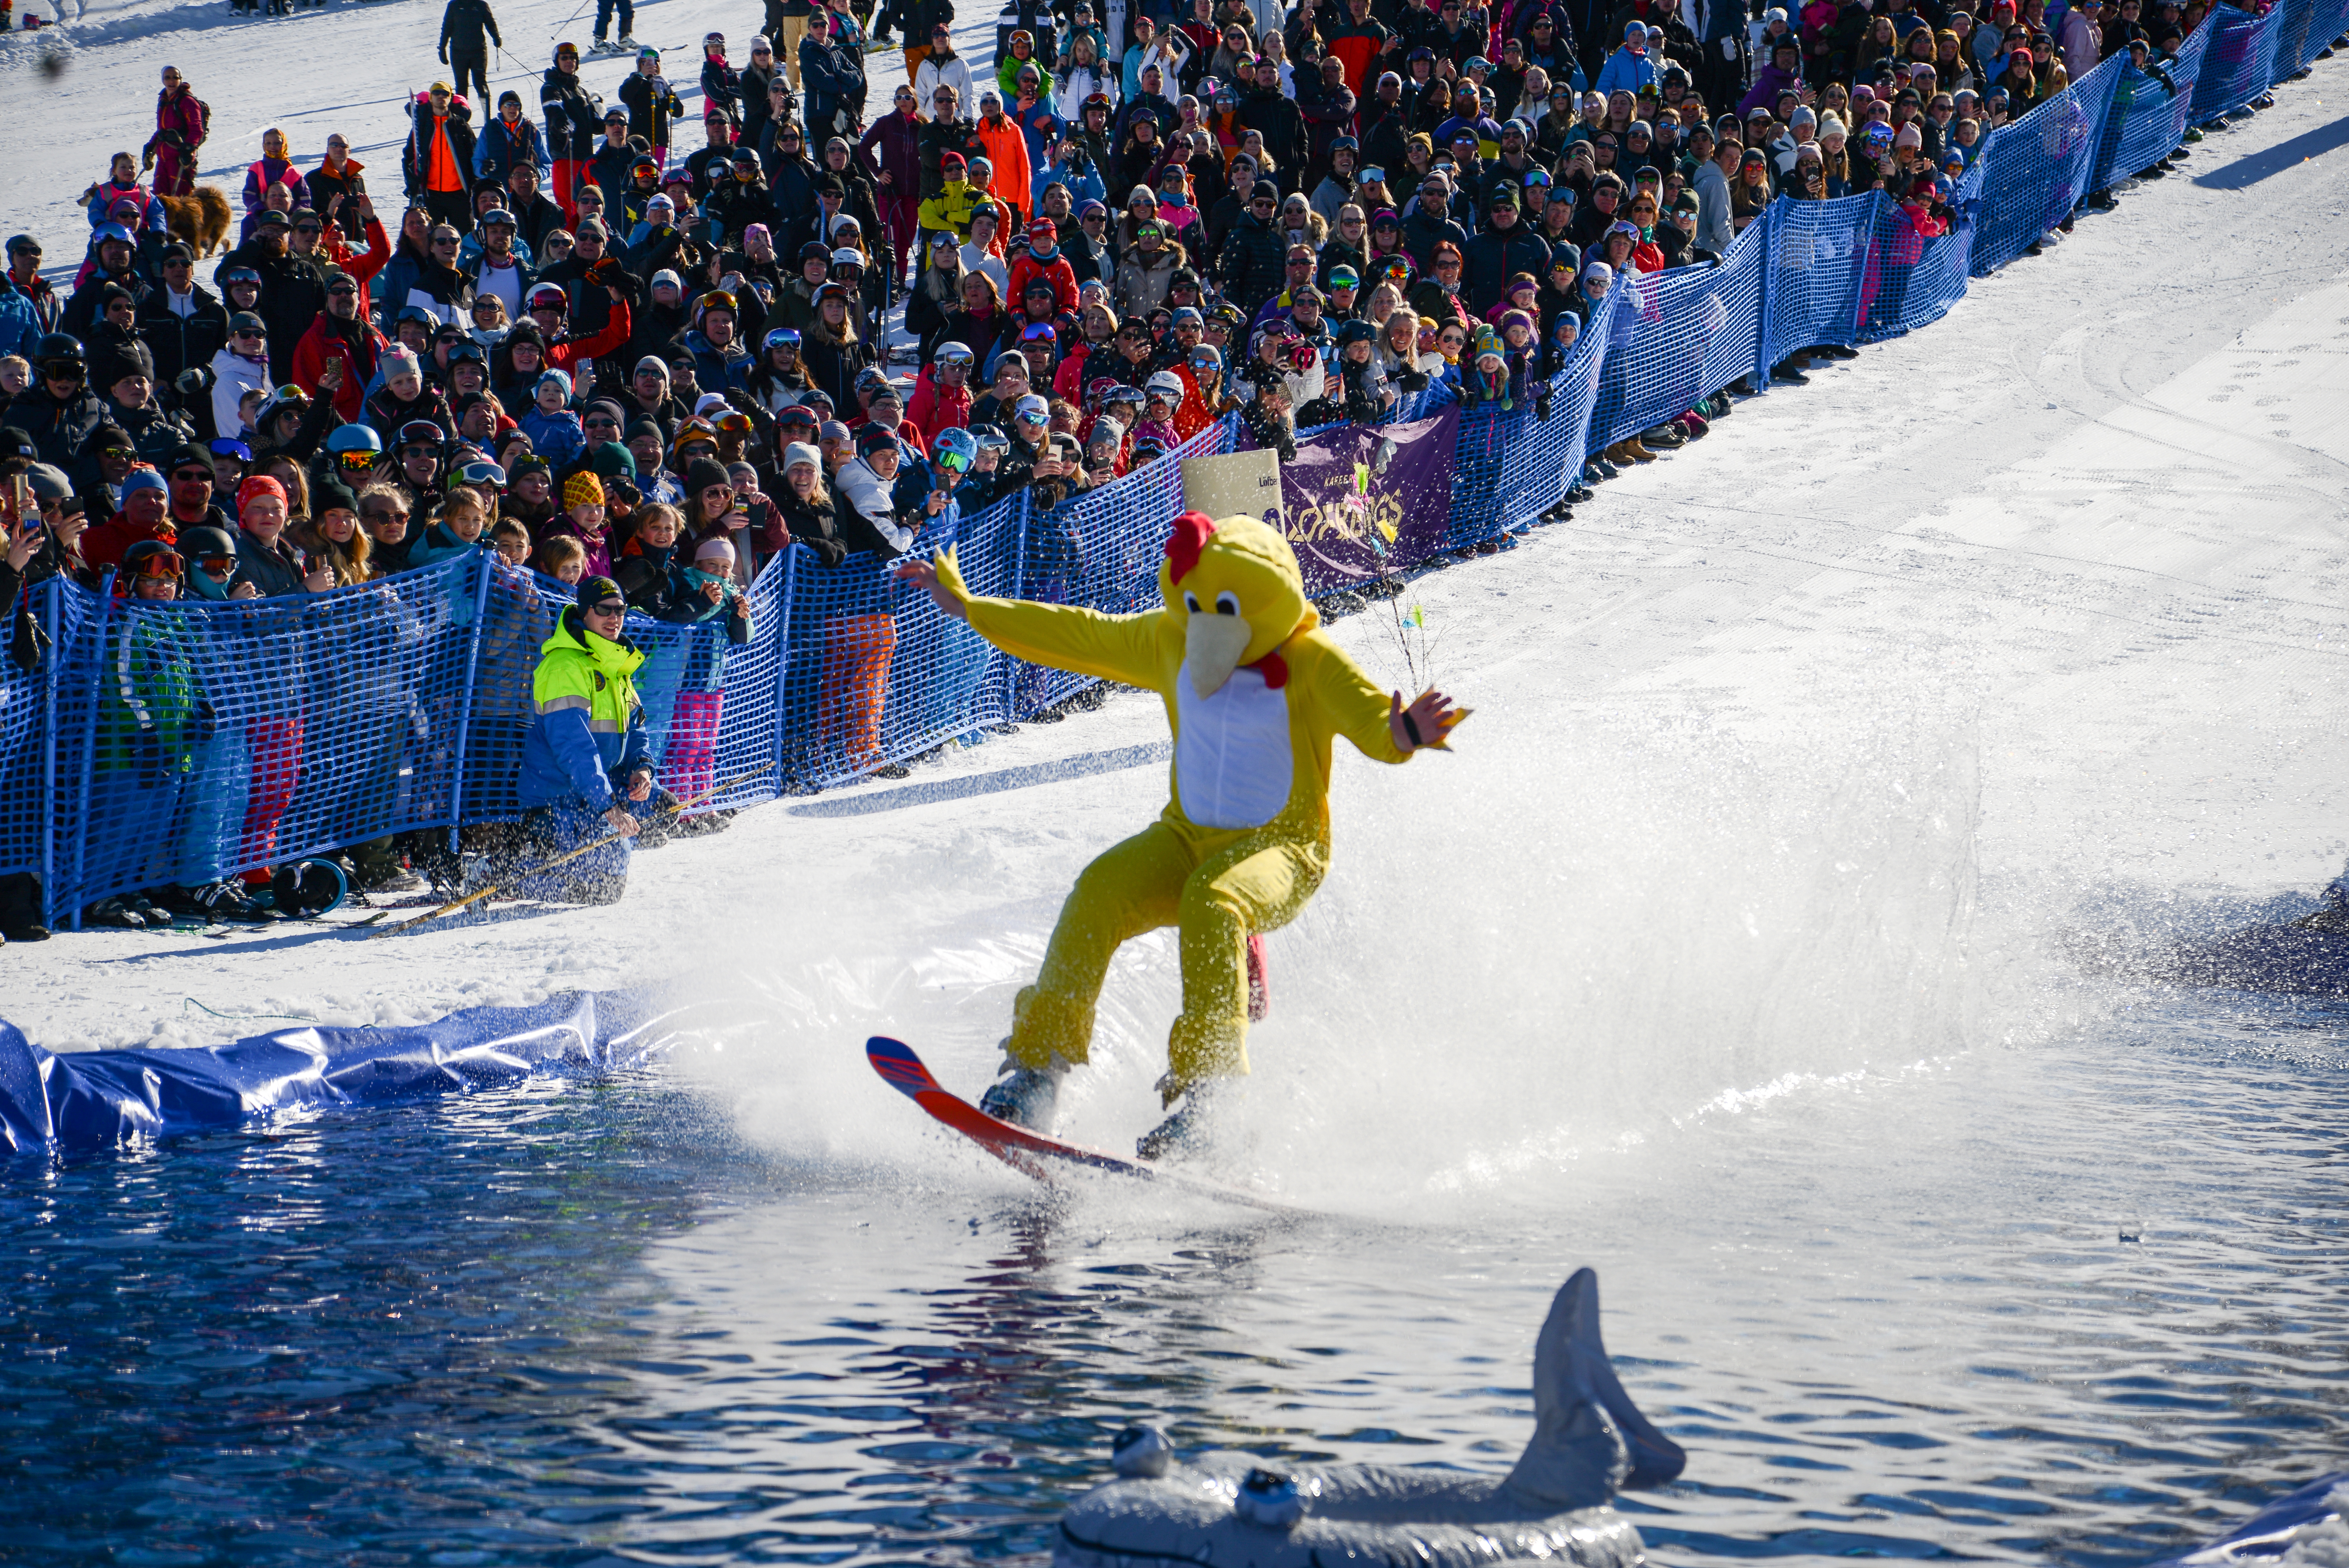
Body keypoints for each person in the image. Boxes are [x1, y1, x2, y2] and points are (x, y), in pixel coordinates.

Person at [893, 511, 1467, 1159]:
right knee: (1101, 889)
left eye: (1223, 608)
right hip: (1186, 837)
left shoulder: (1311, 661)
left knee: (1213, 900)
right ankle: (1037, 1074)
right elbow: (1078, 635)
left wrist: (1407, 732)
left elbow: (1374, 725)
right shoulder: (1173, 640)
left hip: (1284, 848)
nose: (1208, 626)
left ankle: (1214, 1105)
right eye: (1196, 606)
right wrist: (972, 610)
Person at [512, 575, 656, 905]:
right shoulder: (565, 666)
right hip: (558, 798)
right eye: (606, 610)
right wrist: (608, 806)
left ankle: (561, 861)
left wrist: (643, 769)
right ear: (585, 612)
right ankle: (504, 874)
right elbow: (574, 748)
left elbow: (636, 729)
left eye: (621, 610)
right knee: (603, 891)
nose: (615, 618)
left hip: (594, 795)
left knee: (663, 808)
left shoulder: (615, 663)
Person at [440, 0, 504, 107]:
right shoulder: (454, 5)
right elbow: (447, 27)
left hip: (478, 52)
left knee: (480, 83)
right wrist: (442, 48)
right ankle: (461, 118)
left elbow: (490, 23)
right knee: (461, 86)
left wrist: (496, 37)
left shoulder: (481, 5)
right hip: (458, 53)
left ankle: (487, 116)